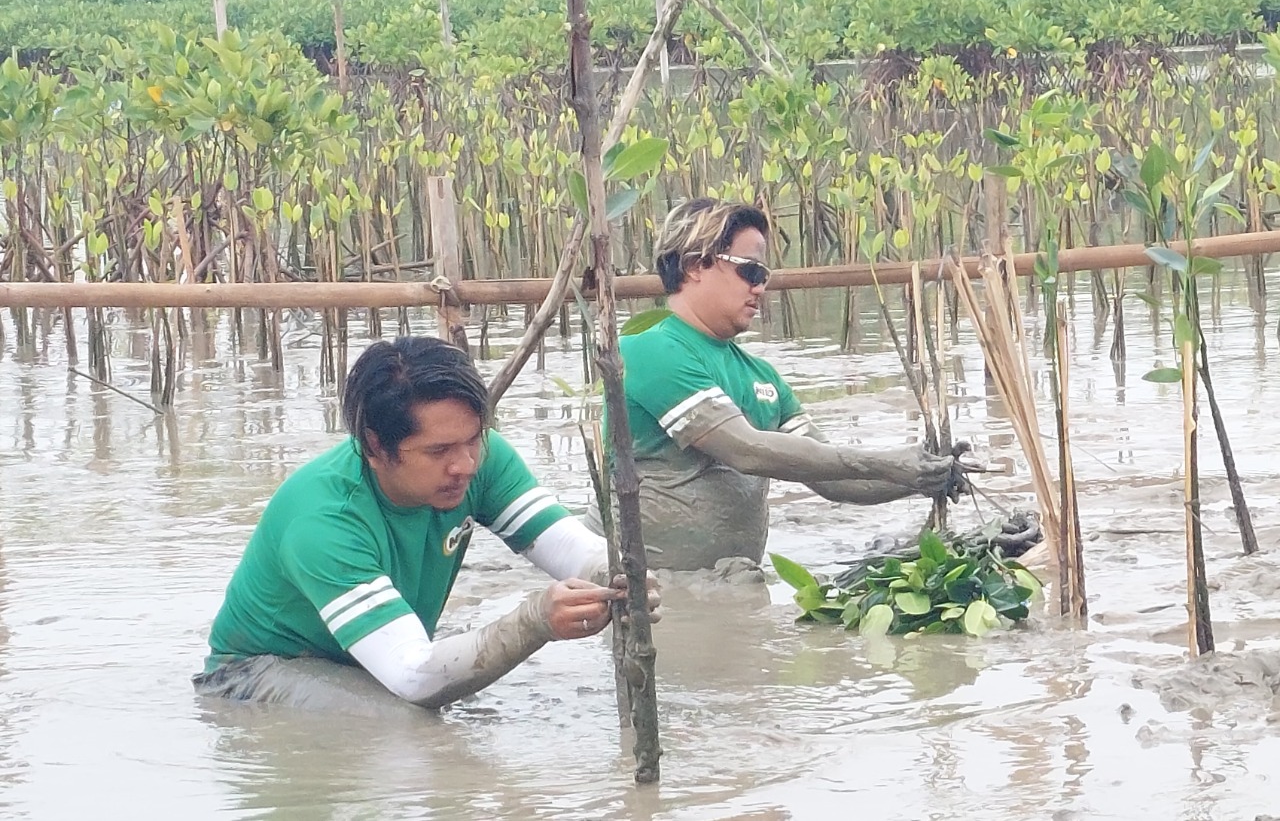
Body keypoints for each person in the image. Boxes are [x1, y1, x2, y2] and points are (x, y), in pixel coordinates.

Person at [194, 336, 659, 711]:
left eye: (473, 440)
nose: (465, 466)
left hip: (367, 661)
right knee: (410, 729)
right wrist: (534, 621)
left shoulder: (481, 457)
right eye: (438, 452)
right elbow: (414, 677)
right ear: (375, 447)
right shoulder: (324, 518)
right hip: (258, 670)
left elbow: (565, 544)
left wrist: (617, 574)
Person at [596, 197, 969, 572]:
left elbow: (836, 482)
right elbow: (747, 450)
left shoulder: (763, 378)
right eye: (750, 272)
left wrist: (924, 474)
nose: (760, 288)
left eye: (764, 276)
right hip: (655, 593)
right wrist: (884, 460)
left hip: (731, 587)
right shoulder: (648, 347)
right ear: (697, 265)